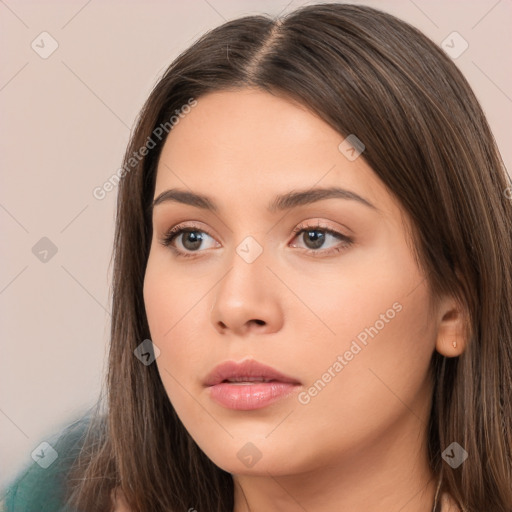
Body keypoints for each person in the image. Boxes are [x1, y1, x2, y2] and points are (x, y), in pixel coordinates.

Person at [2, 3, 511, 511]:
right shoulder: (51, 495)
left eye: (316, 237)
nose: (237, 303)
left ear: (455, 304)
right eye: (192, 238)